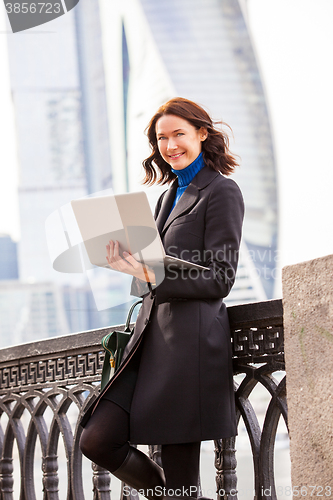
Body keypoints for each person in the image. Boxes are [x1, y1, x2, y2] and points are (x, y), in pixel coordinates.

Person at [79, 97, 244, 500]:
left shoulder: (221, 191)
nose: (170, 145)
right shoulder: (166, 197)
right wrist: (130, 268)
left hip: (189, 352)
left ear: (203, 134)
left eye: (179, 135)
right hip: (148, 346)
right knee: (96, 439)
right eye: (162, 138)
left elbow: (220, 279)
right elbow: (152, 278)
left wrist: (149, 272)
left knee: (182, 474)